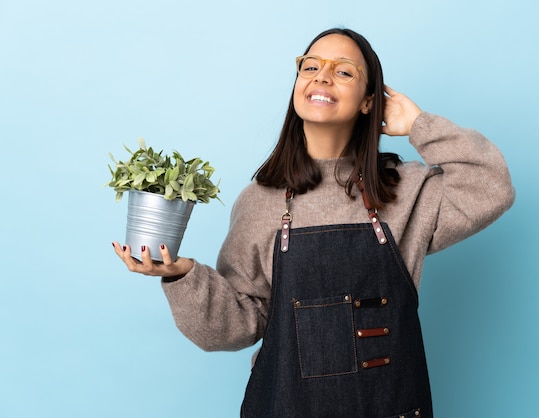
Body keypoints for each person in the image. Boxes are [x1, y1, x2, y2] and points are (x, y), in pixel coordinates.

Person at [112, 27, 515, 417]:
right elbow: (238, 325)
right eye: (310, 66)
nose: (322, 75)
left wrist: (419, 124)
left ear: (369, 102)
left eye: (343, 71)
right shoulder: (260, 200)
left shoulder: (407, 191)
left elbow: (493, 186)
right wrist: (182, 275)